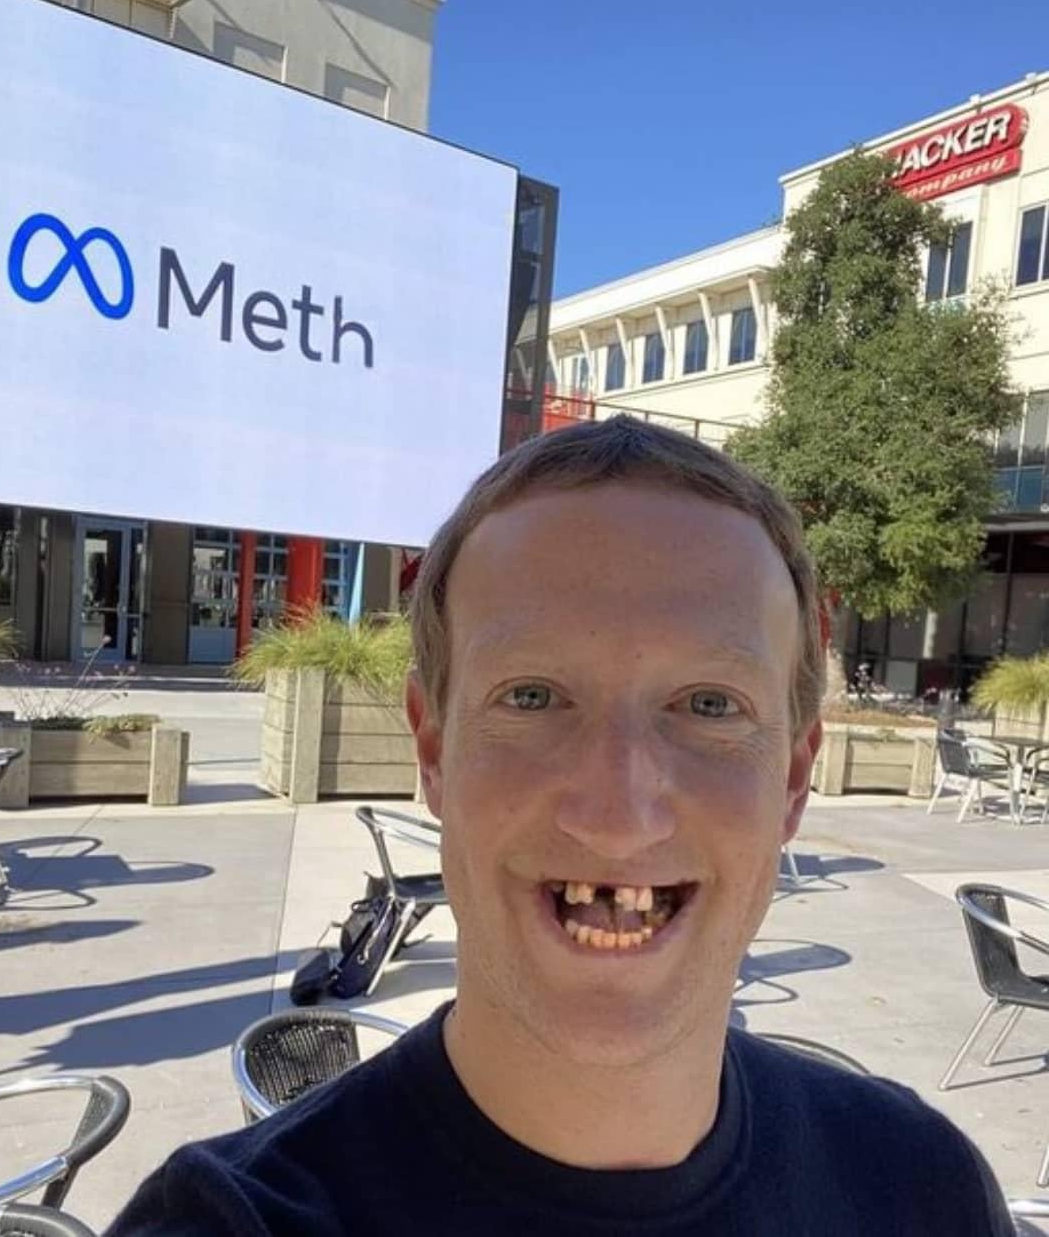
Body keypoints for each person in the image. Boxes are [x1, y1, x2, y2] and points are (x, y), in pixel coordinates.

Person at [107, 416, 1011, 1235]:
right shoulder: (230, 1223)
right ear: (433, 749)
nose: (618, 814)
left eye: (709, 704)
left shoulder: (923, 1192)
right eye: (532, 697)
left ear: (795, 776)